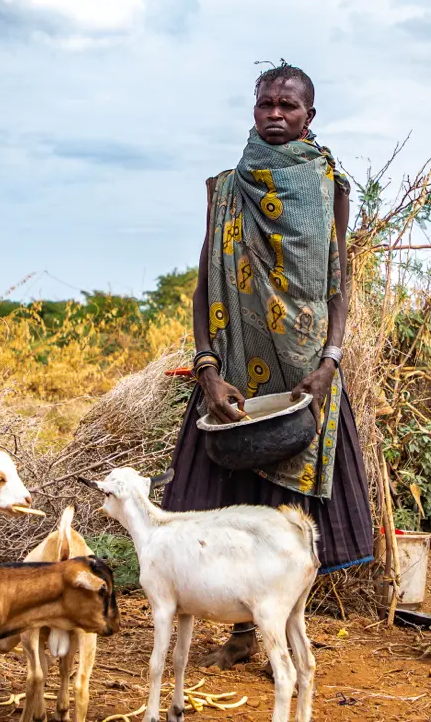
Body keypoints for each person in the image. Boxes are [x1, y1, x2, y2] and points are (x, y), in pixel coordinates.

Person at [161, 62, 375, 669]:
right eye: (267, 105)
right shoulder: (224, 187)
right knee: (232, 499)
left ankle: (281, 623)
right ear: (253, 110)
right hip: (231, 371)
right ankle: (239, 631)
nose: (276, 116)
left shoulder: (329, 184)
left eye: (290, 107)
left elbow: (338, 285)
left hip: (306, 374)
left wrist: (332, 361)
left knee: (291, 517)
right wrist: (206, 369)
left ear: (311, 117)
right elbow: (205, 283)